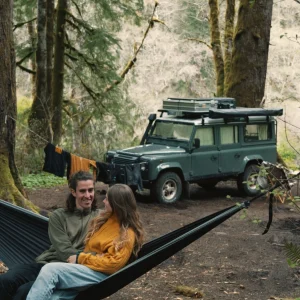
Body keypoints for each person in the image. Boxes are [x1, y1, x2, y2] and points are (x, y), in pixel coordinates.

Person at [26, 184, 145, 300]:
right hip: (89, 269)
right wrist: (95, 257)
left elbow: (112, 264)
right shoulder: (106, 220)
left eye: (107, 199)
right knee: (54, 296)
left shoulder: (127, 233)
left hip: (102, 275)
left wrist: (79, 258)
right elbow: (94, 251)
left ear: (116, 204)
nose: (103, 201)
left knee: (50, 270)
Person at [0, 171, 100, 300]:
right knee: (6, 280)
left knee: (24, 291)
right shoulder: (59, 216)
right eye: (82, 191)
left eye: (90, 190)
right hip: (46, 263)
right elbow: (64, 251)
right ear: (73, 192)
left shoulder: (101, 218)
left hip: (71, 272)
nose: (88, 195)